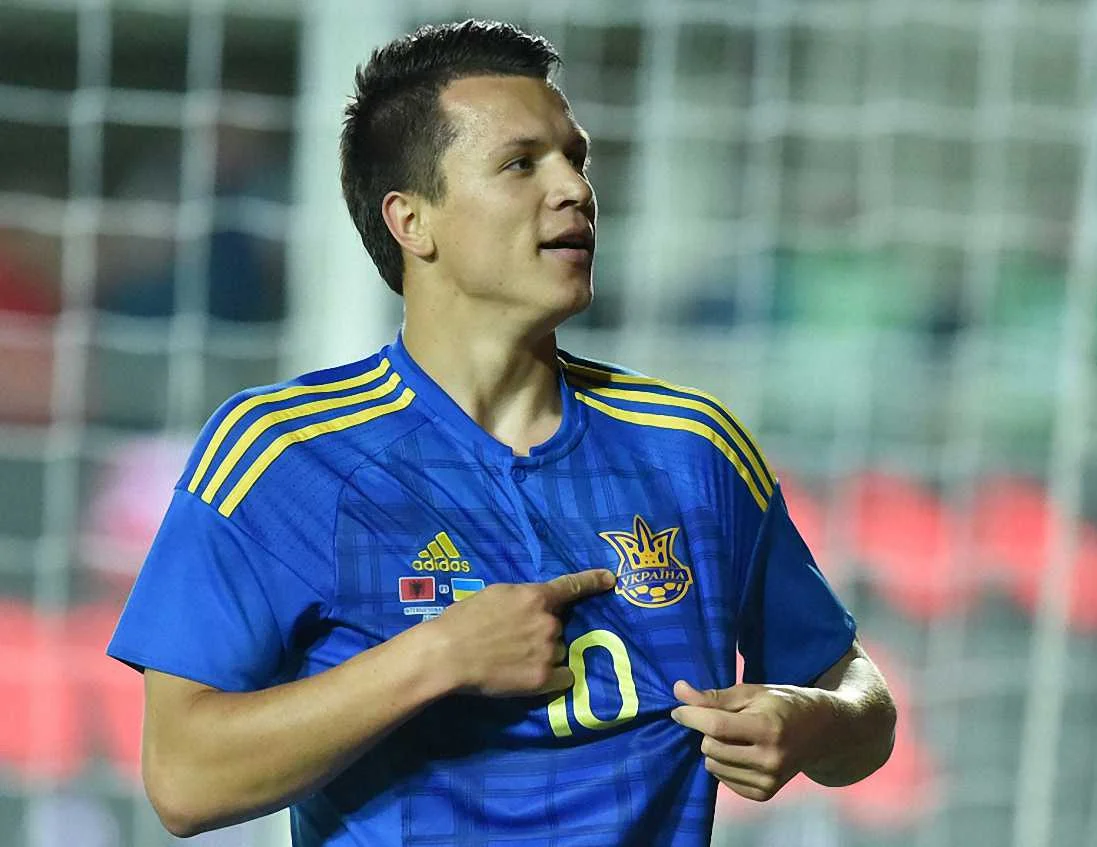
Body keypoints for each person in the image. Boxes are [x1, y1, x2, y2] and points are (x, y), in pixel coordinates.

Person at [106, 19, 896, 846]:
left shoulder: (693, 448)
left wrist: (813, 720)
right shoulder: (286, 453)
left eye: (575, 159)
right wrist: (436, 656)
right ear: (412, 221)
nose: (574, 189)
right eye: (522, 164)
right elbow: (183, 780)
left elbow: (858, 694)